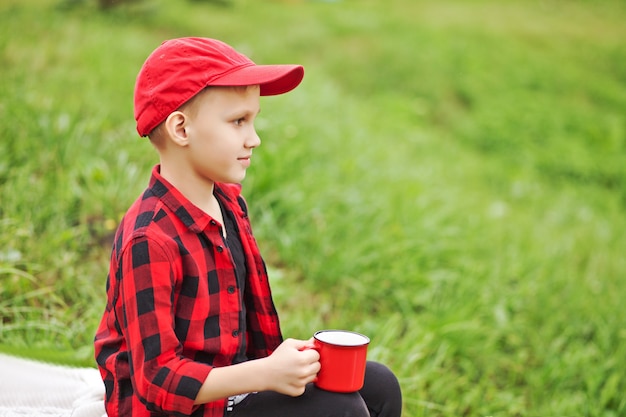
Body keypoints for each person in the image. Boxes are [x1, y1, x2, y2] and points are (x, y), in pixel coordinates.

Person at [93, 37, 402, 417]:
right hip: (176, 410)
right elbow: (156, 379)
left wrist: (283, 367)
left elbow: (242, 336)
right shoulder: (149, 239)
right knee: (344, 410)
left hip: (231, 390)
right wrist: (265, 374)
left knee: (379, 385)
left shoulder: (228, 203)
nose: (253, 139)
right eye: (238, 121)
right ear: (181, 129)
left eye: (253, 121)